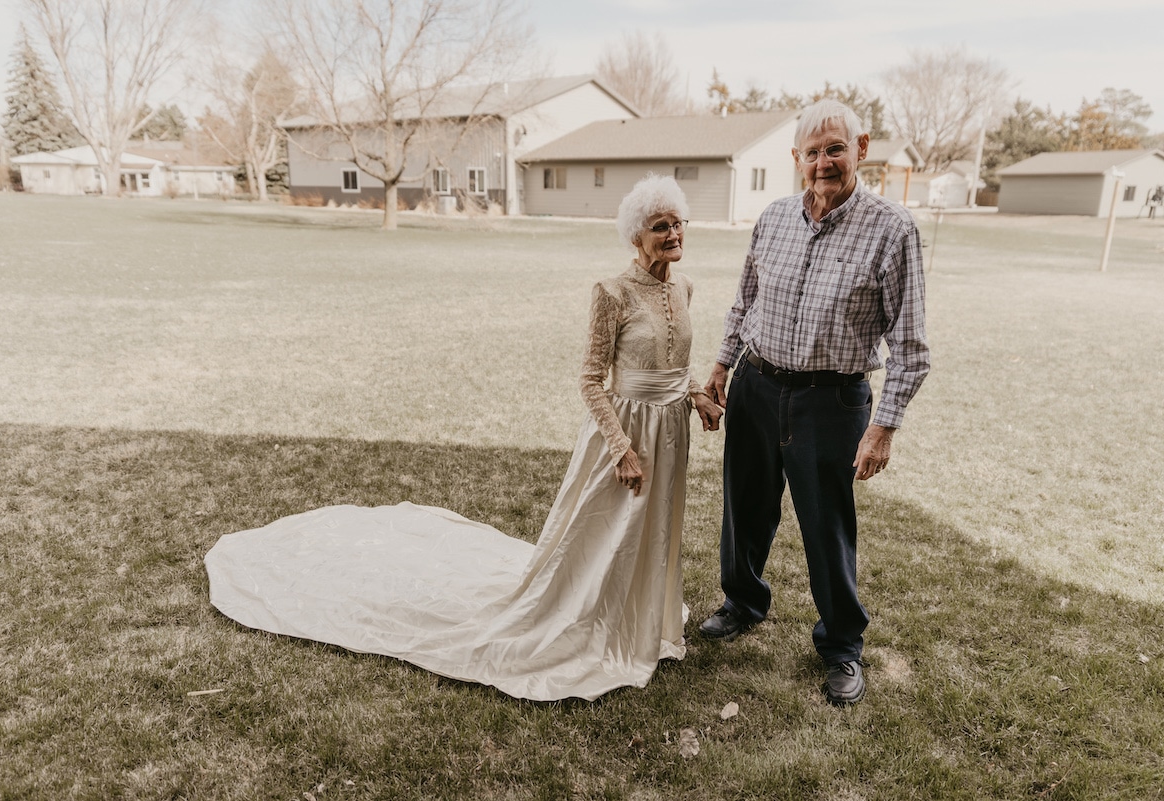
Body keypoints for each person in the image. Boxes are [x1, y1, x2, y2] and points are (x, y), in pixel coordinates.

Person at [205, 174, 723, 702]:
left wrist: (697, 395)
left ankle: (640, 621)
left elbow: (673, 369)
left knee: (655, 527)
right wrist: (620, 447)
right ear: (636, 237)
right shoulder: (610, 293)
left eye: (678, 223)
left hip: (670, 435)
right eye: (660, 226)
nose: (673, 233)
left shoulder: (684, 288)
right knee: (606, 534)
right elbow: (591, 382)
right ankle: (593, 622)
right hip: (625, 439)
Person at [699, 99, 931, 705]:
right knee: (744, 509)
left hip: (831, 401)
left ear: (862, 147)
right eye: (812, 152)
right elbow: (744, 300)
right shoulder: (772, 218)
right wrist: (724, 364)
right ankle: (743, 603)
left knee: (827, 527)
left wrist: (883, 428)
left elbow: (909, 345)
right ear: (795, 158)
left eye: (836, 148)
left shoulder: (892, 229)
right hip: (755, 386)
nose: (824, 162)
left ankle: (841, 646)